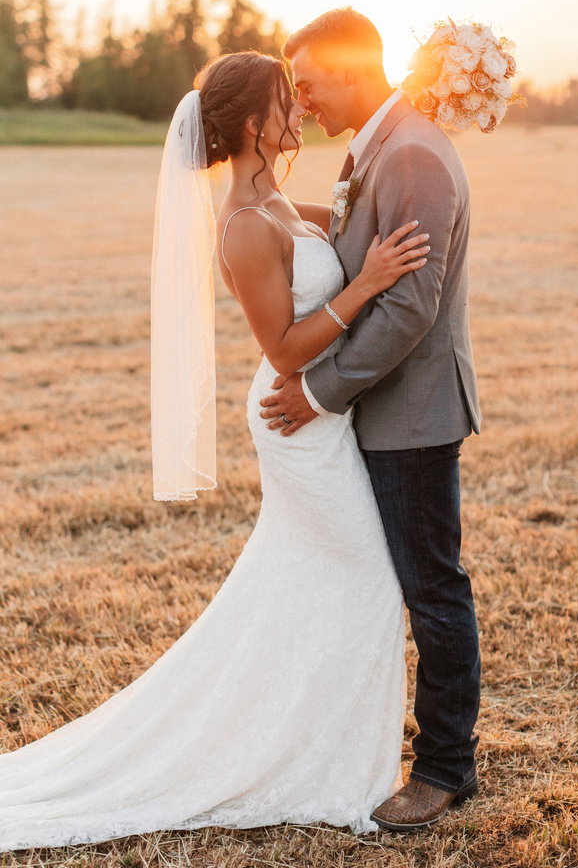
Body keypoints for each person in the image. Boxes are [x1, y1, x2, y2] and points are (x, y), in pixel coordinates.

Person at [0, 50, 431, 851]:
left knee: (312, 579)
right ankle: (331, 766)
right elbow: (286, 347)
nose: (298, 111)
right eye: (285, 102)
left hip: (322, 416)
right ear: (251, 124)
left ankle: (300, 745)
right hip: (294, 418)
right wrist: (367, 284)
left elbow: (350, 224)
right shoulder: (242, 224)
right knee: (370, 578)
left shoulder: (276, 202)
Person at [260, 8, 482, 831]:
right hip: (385, 409)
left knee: (432, 588)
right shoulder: (380, 143)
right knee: (404, 581)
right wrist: (267, 212)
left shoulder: (413, 152)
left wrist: (319, 391)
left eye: (309, 84)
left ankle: (445, 769)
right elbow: (358, 247)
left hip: (411, 413)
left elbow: (409, 307)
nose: (303, 102)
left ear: (352, 70)